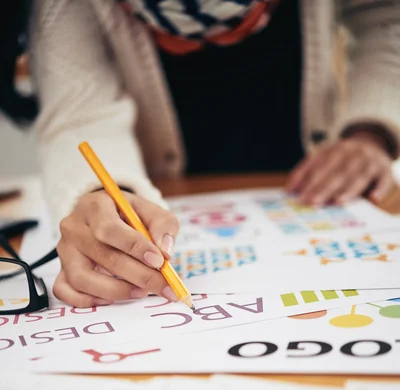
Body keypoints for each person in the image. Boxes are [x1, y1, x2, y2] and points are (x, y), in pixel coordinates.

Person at [24, 1, 400, 305]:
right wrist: (101, 194)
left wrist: (372, 131)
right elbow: (78, 112)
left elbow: (387, 17)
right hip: (160, 185)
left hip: (309, 186)